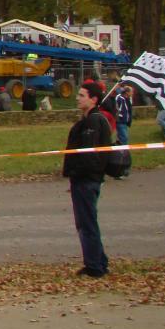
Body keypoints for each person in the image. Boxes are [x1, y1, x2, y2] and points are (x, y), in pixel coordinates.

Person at [63, 81, 112, 278]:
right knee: (86, 221)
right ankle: (98, 260)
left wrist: (78, 172)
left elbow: (90, 155)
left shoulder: (94, 122)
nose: (78, 98)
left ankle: (94, 266)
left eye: (82, 95)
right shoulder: (88, 120)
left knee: (86, 223)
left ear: (93, 99)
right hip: (83, 179)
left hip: (86, 179)